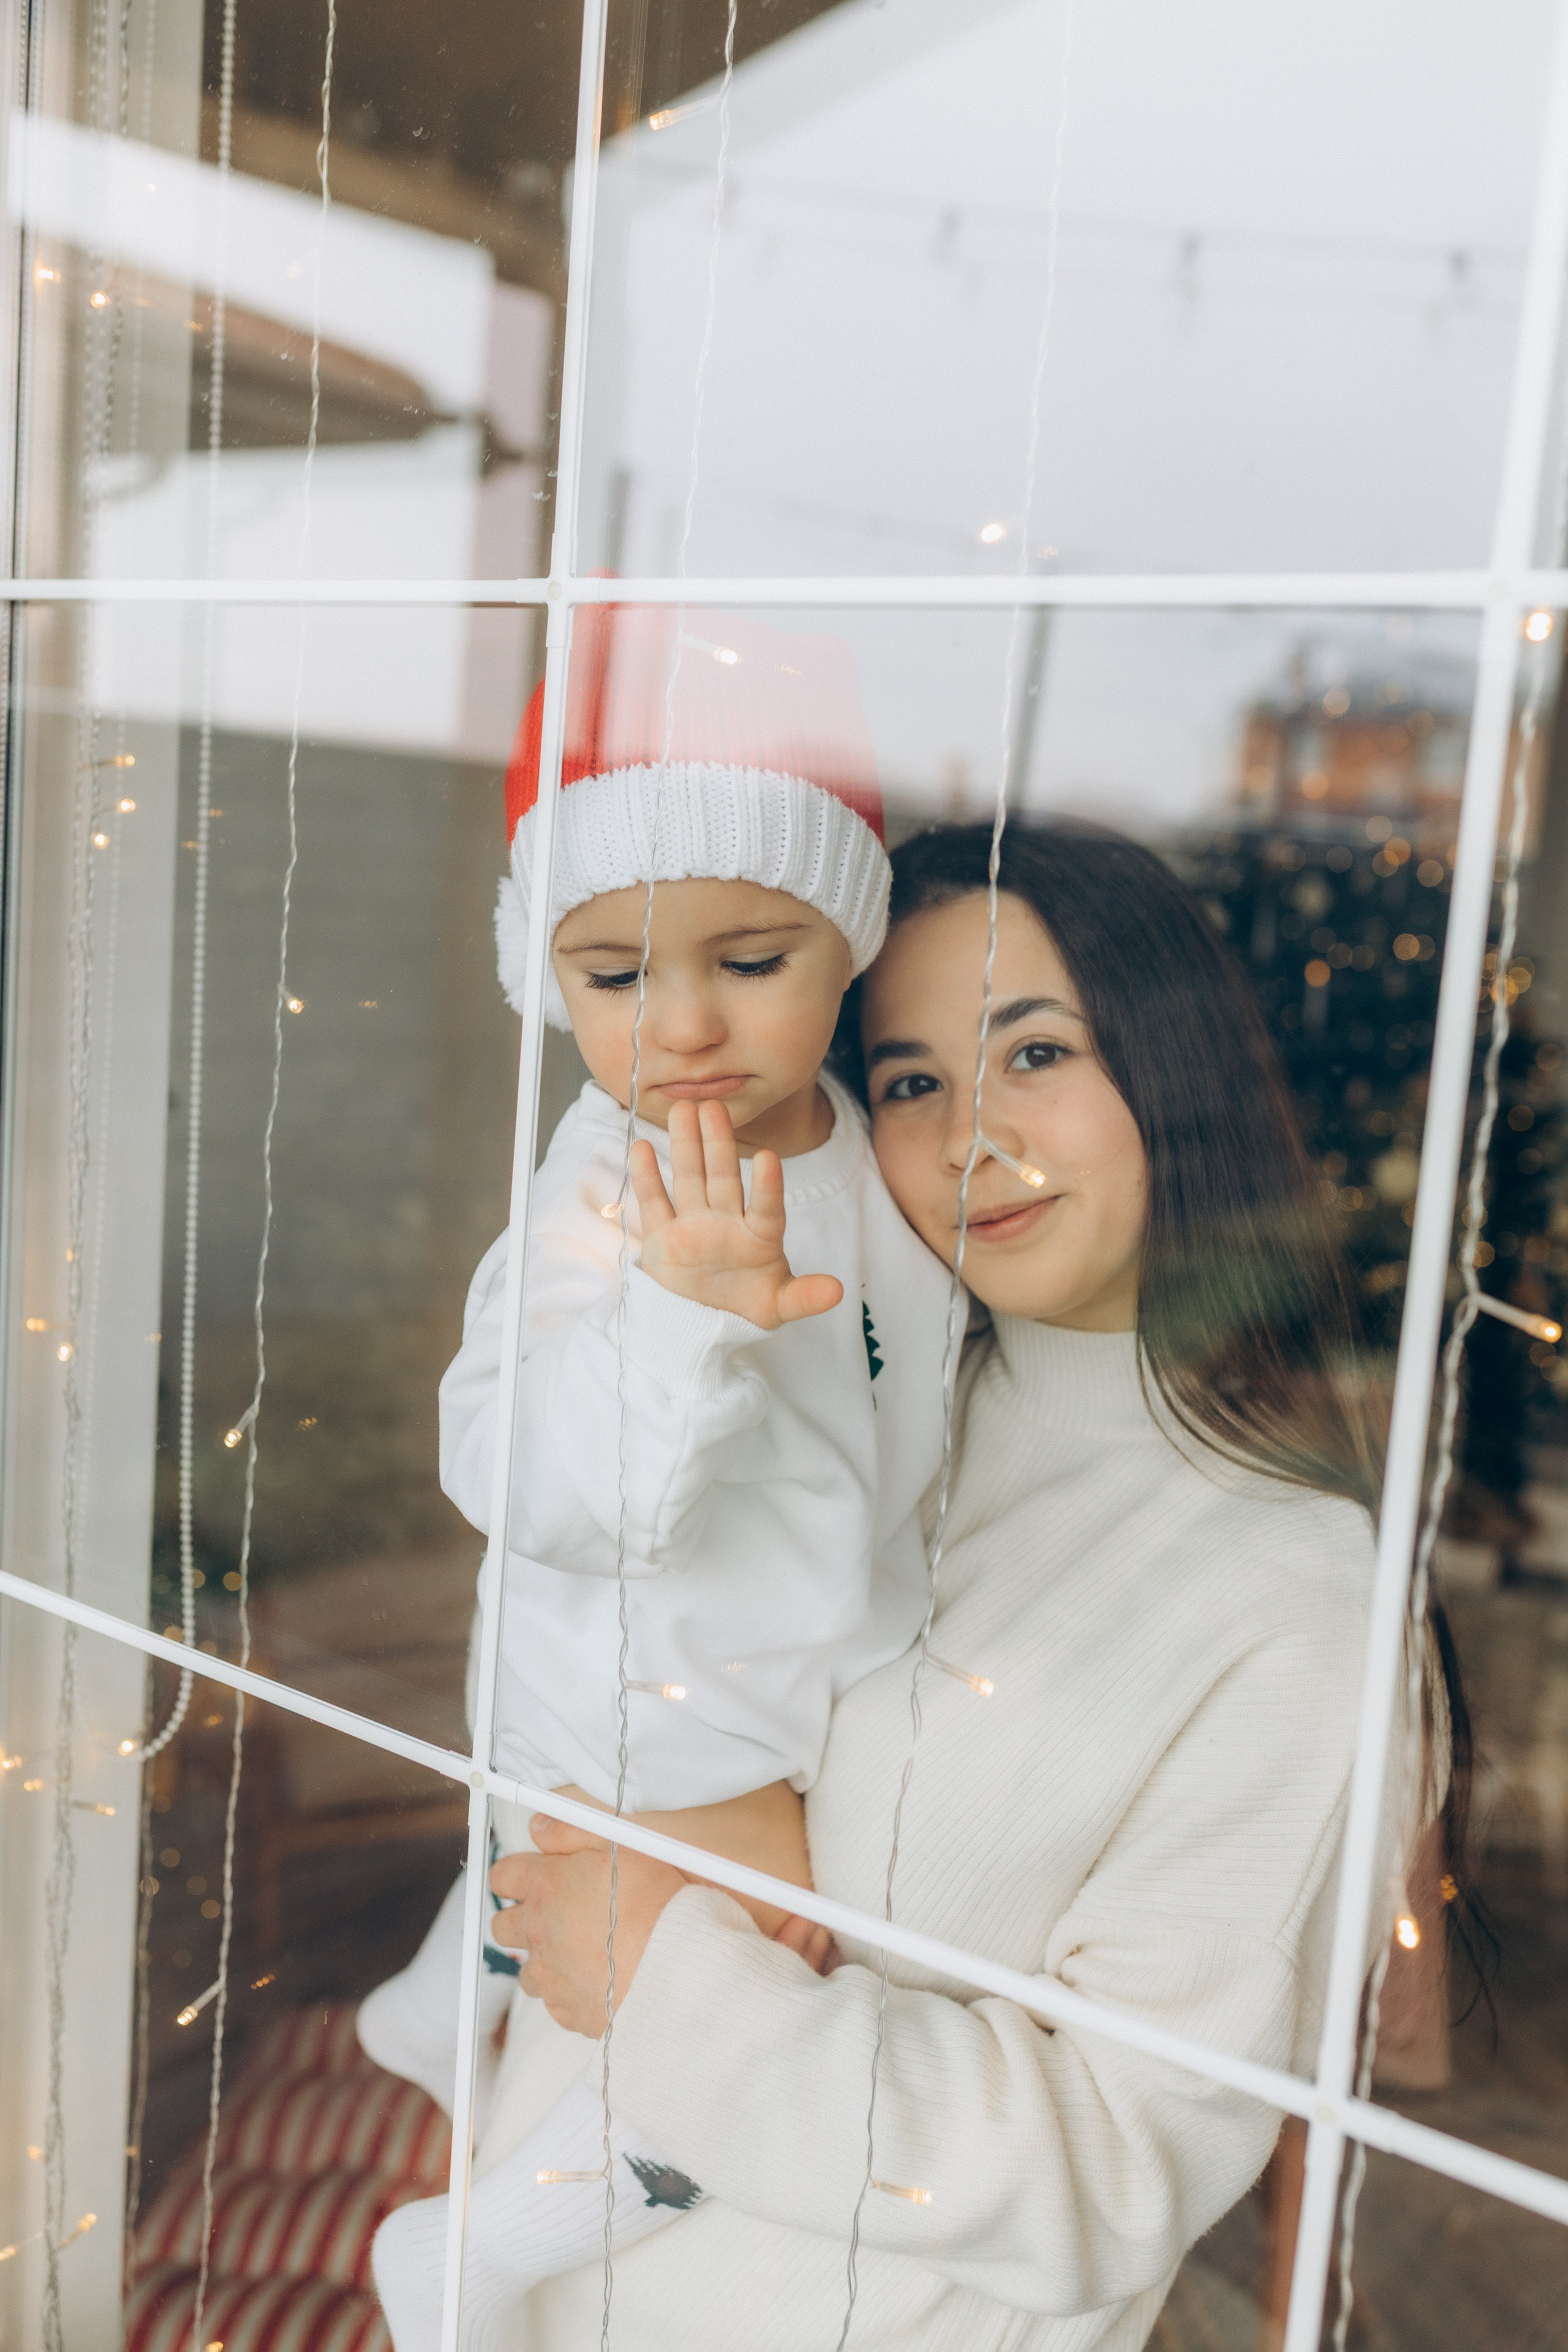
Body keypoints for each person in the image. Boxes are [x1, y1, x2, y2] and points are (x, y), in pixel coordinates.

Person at [470, 819, 1456, 2352]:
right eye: (914, 1080)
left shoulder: (1296, 1594)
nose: (966, 1139)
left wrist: (665, 1982)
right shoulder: (858, 1397)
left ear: (1174, 1067)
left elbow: (1108, 2169)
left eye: (1036, 1052)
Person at [364, 609, 953, 2345]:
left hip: (778, 1670)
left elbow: (890, 1408)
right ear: (548, 977)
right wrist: (682, 1321)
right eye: (615, 979)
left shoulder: (868, 1151)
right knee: (752, 1983)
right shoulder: (596, 1190)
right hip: (638, 1693)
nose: (682, 1024)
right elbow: (521, 1471)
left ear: (846, 943)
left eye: (750, 960)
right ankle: (474, 2248)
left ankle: (437, 1986)